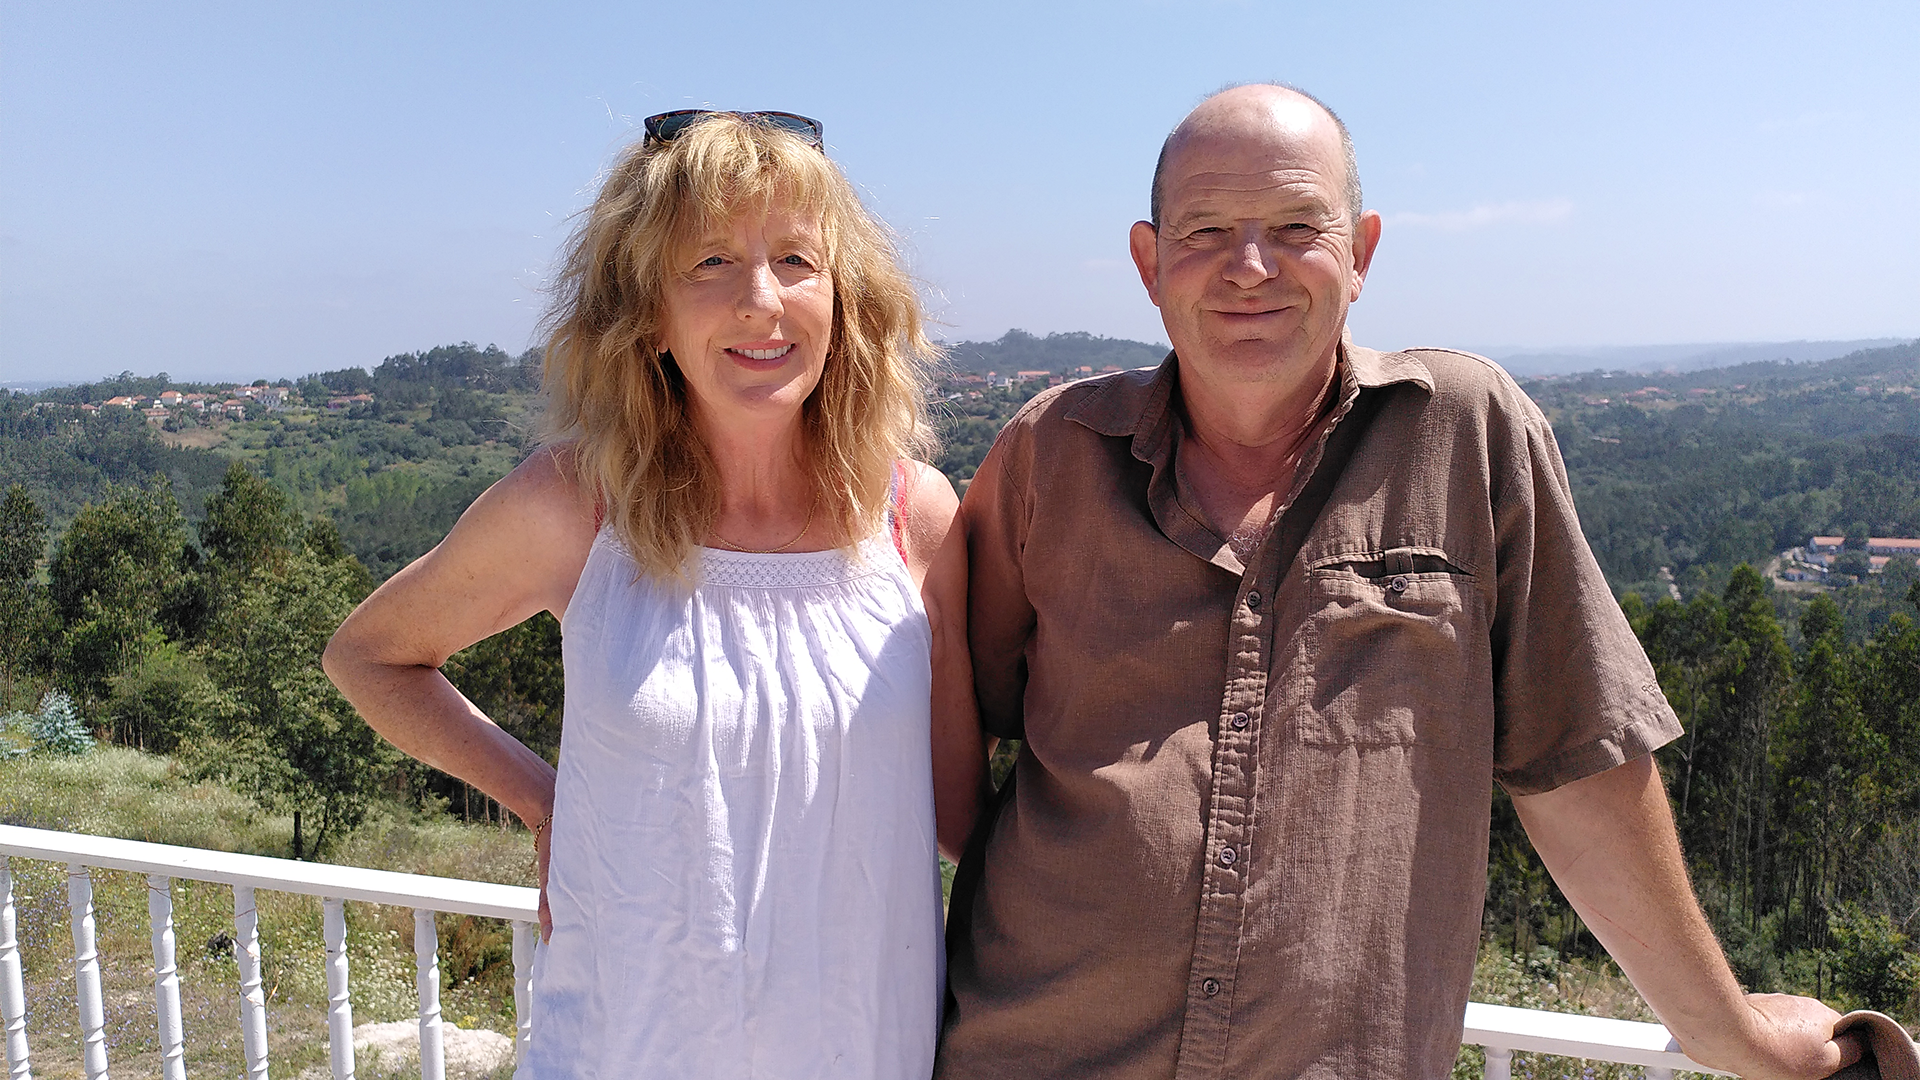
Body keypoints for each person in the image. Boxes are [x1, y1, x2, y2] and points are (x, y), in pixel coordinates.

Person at [937, 84, 1863, 1080]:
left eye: (1297, 227)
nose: (1250, 266)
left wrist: (1730, 1032)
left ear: (1362, 252)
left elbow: (1577, 766)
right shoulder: (1051, 452)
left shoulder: (1465, 434)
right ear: (1149, 261)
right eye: (1206, 230)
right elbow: (946, 731)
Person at [324, 110, 981, 1078]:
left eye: (796, 260)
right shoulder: (576, 507)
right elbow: (371, 656)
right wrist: (543, 803)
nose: (761, 301)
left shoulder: (913, 520)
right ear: (648, 315)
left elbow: (964, 817)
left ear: (846, 298)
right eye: (711, 262)